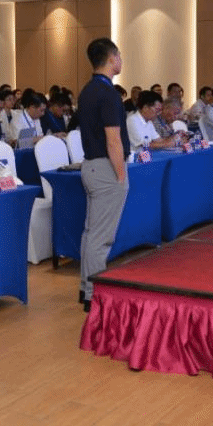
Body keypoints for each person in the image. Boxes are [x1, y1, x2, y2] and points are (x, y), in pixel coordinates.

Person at [77, 38, 129, 312]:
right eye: (119, 56)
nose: (121, 60)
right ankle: (94, 294)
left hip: (91, 166)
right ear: (111, 58)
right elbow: (113, 139)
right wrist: (120, 175)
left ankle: (87, 288)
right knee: (101, 238)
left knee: (91, 233)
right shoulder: (108, 93)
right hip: (106, 168)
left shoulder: (88, 90)